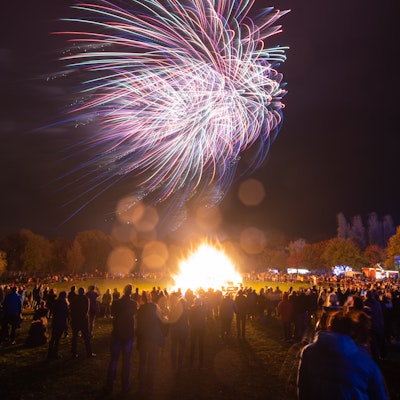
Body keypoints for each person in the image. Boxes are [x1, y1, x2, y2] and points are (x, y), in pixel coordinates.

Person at [297, 309, 388, 400]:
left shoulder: (308, 352)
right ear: (352, 332)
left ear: (329, 328)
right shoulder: (366, 363)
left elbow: (303, 389)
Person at [104, 284, 138, 394]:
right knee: (126, 361)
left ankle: (110, 384)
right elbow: (133, 314)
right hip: (128, 335)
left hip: (117, 333)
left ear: (123, 291)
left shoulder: (116, 302)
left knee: (114, 360)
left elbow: (113, 314)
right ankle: (125, 385)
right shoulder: (133, 304)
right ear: (131, 292)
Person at [136, 290, 167, 397]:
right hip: (154, 338)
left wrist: (138, 337)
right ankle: (150, 385)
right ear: (150, 297)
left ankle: (141, 384)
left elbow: (138, 326)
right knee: (152, 362)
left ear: (142, 299)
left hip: (144, 338)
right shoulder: (155, 307)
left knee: (143, 362)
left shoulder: (140, 310)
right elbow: (163, 321)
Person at [69, 287, 95, 359]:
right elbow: (87, 310)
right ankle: (89, 352)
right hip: (83, 320)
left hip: (76, 320)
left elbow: (71, 308)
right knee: (86, 337)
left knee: (74, 337)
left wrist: (73, 317)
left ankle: (74, 353)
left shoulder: (74, 299)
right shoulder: (86, 299)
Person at [168, 295, 189, 373]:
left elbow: (170, 319)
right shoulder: (186, 311)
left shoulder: (174, 309)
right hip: (183, 331)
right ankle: (179, 364)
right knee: (182, 348)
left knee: (174, 347)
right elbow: (187, 322)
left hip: (175, 330)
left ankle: (173, 364)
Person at [47, 291, 69, 360]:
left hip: (55, 321)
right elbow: (66, 313)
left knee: (53, 338)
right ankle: (55, 353)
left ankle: (50, 352)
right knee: (57, 339)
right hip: (61, 321)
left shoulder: (56, 302)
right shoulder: (64, 303)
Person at [189, 296, 207, 370]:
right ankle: (201, 365)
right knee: (201, 347)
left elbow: (190, 320)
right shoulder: (203, 309)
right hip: (201, 329)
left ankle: (191, 365)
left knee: (192, 346)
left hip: (193, 329)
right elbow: (205, 319)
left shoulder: (192, 309)